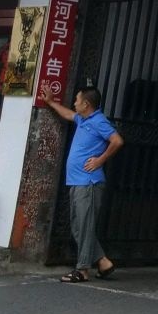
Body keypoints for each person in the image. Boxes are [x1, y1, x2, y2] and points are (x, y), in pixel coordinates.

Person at [40, 83, 123, 283]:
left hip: (89, 182)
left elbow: (117, 141)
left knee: (84, 226)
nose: (75, 103)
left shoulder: (99, 121)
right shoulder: (83, 119)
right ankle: (103, 262)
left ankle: (83, 269)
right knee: (78, 227)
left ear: (86, 104)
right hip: (78, 181)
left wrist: (100, 160)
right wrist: (51, 102)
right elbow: (68, 114)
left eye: (77, 100)